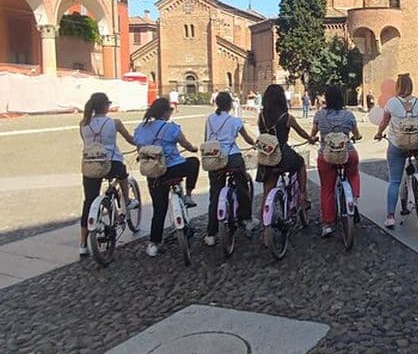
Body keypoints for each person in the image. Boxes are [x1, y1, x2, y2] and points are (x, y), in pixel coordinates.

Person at [134, 98, 200, 258]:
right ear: (165, 112)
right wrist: (193, 148)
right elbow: (185, 144)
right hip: (175, 168)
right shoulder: (171, 128)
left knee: (159, 208)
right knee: (193, 163)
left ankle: (153, 244)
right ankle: (189, 195)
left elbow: (139, 148)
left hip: (155, 173)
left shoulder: (140, 129)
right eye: (170, 110)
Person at [78, 93, 136, 257]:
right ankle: (127, 199)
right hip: (111, 162)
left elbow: (87, 143)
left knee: (89, 201)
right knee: (122, 174)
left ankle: (83, 244)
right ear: (105, 106)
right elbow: (130, 139)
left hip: (90, 164)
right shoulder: (114, 122)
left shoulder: (83, 123)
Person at [373, 73, 418, 229]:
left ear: (397, 86)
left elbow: (384, 122)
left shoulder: (392, 103)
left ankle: (390, 216)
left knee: (394, 181)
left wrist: (379, 134)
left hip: (397, 145)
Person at [204, 92, 259, 246]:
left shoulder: (209, 119)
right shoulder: (235, 121)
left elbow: (206, 139)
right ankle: (246, 219)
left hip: (214, 157)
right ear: (230, 105)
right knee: (242, 186)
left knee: (214, 194)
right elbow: (246, 138)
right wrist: (254, 144)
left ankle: (211, 233)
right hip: (232, 157)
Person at [309, 85, 362, 237]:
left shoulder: (319, 115)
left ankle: (327, 224)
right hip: (347, 152)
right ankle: (354, 200)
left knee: (327, 189)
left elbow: (313, 134)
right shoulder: (349, 115)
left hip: (326, 156)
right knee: (353, 174)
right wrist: (356, 137)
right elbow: (356, 134)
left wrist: (313, 139)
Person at [257, 84, 313, 209]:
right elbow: (302, 133)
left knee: (267, 192)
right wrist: (311, 138)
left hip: (266, 157)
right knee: (301, 163)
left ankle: (265, 223)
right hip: (283, 154)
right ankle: (303, 195)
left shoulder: (261, 116)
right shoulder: (287, 117)